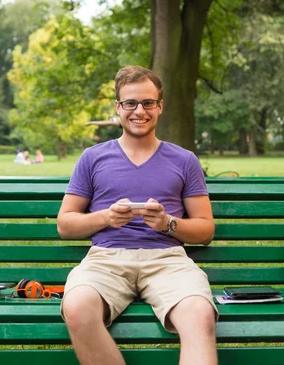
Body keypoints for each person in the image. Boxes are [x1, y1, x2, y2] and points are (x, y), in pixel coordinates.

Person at [57, 66, 218, 365]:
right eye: (130, 103)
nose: (139, 111)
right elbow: (65, 223)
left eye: (148, 103)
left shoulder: (185, 160)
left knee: (200, 313)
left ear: (160, 106)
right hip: (106, 258)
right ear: (118, 107)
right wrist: (105, 218)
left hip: (167, 259)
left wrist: (168, 224)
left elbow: (205, 229)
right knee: (77, 306)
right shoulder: (92, 158)